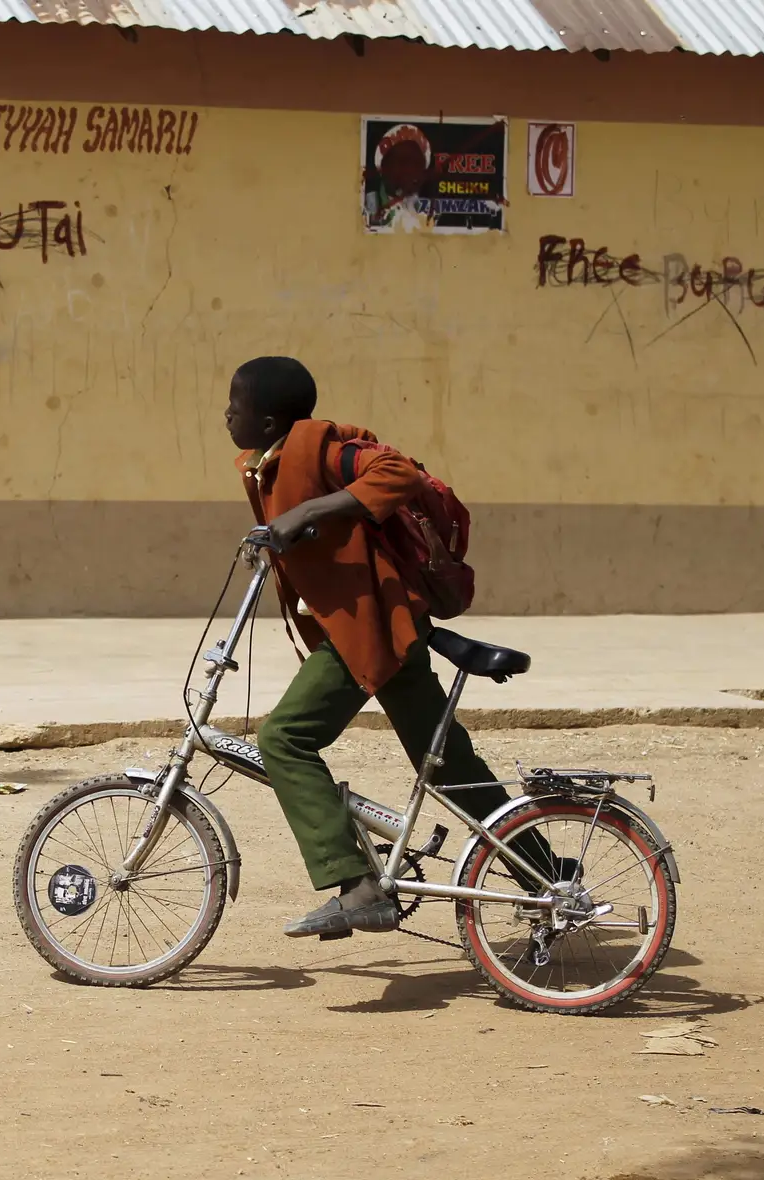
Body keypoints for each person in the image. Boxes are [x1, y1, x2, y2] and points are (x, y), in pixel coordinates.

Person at [226, 356, 542, 939]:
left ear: (267, 422)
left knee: (284, 739)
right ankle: (547, 876)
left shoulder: (321, 450)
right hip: (392, 628)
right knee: (448, 765)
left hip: (369, 631)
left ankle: (358, 887)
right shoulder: (268, 465)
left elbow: (399, 473)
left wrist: (309, 510)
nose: (226, 416)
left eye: (234, 406)